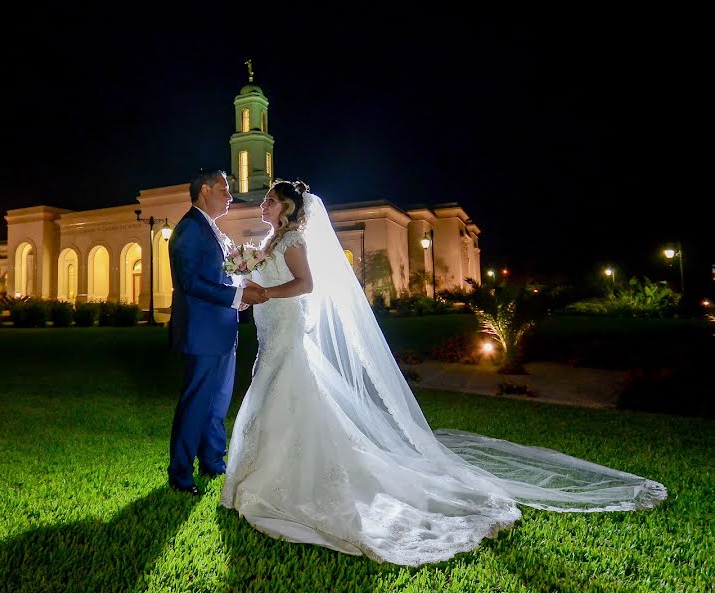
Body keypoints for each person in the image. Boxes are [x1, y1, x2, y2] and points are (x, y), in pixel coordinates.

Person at [219, 179, 667, 566]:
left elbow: (306, 285)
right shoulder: (270, 241)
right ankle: (266, 471)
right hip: (270, 327)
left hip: (286, 324)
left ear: (288, 208)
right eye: (264, 203)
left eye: (270, 202)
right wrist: (246, 280)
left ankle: (289, 477)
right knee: (274, 390)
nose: (263, 206)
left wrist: (264, 293)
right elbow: (262, 276)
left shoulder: (294, 242)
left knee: (286, 391)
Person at [167, 169, 268, 496]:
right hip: (202, 334)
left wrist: (240, 287)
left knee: (217, 403)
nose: (230, 196)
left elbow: (219, 276)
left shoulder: (213, 231)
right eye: (225, 189)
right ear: (205, 190)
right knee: (196, 404)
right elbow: (191, 282)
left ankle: (213, 461)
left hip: (223, 330)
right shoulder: (189, 230)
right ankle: (180, 475)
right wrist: (238, 297)